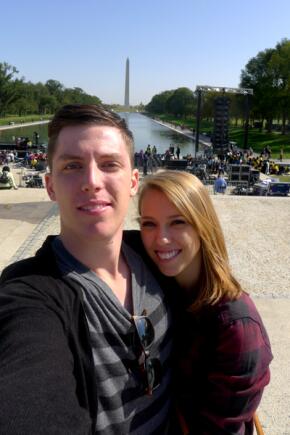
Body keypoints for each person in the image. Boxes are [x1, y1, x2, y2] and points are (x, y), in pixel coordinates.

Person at [0, 105, 172, 434]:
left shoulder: (160, 256)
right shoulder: (31, 295)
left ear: (134, 180)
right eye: (73, 166)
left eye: (109, 164)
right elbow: (29, 386)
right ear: (50, 186)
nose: (92, 181)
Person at [135, 170, 273, 434]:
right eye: (149, 224)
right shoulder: (163, 285)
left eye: (178, 222)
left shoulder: (236, 326)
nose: (161, 239)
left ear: (203, 225)